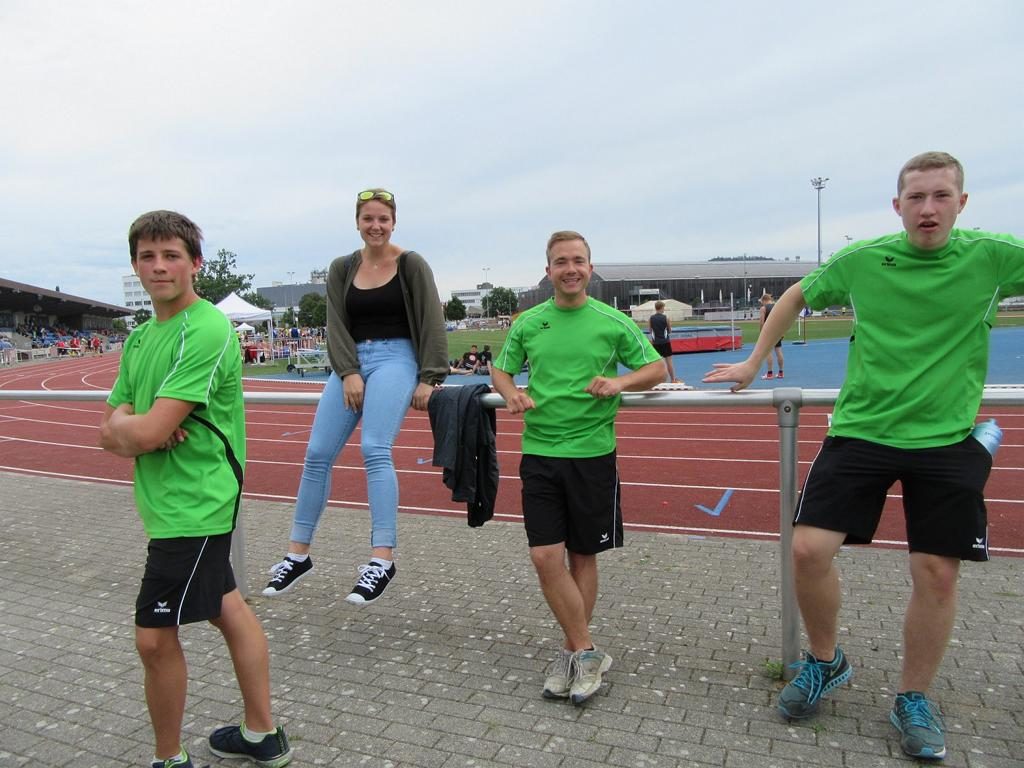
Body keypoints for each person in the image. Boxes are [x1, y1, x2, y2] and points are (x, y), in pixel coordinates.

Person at [703, 151, 1024, 760]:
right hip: (862, 430)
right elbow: (795, 295)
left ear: (961, 203)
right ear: (897, 205)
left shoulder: (994, 256)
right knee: (807, 550)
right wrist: (753, 360)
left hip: (945, 437)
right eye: (916, 197)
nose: (928, 209)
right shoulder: (865, 258)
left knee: (936, 571)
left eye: (941, 196)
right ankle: (826, 661)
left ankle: (913, 698)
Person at [99, 211, 291, 768]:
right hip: (167, 502)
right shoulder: (140, 337)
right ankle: (263, 734)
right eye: (148, 256)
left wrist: (138, 430)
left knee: (153, 638)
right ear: (135, 265)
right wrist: (137, 429)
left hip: (197, 502)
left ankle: (169, 758)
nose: (159, 267)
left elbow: (138, 431)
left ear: (195, 263)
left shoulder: (204, 328)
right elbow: (107, 429)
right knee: (226, 606)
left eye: (171, 255)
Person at [490, 231, 665, 706]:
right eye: (561, 262)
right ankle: (587, 651)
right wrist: (510, 392)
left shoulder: (613, 321)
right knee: (545, 557)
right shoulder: (529, 323)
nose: (570, 269)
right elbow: (501, 369)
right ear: (548, 271)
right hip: (540, 452)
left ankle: (574, 654)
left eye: (578, 261)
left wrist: (620, 383)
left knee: (582, 557)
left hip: (592, 455)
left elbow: (656, 370)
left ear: (590, 267)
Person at [262, 189, 448, 604]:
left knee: (374, 448)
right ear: (357, 223)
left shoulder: (411, 264)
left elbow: (431, 320)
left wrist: (430, 377)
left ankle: (382, 559)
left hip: (396, 356)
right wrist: (347, 372)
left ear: (394, 222)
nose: (375, 226)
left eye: (383, 219)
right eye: (368, 219)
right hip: (352, 361)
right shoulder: (342, 267)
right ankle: (297, 554)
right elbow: (336, 323)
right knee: (316, 453)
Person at [648, 300, 680, 383]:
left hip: (656, 343)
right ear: (661, 308)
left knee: (656, 363)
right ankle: (672, 379)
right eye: (663, 308)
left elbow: (650, 331)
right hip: (665, 342)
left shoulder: (651, 318)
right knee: (669, 362)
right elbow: (670, 331)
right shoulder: (666, 318)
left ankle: (655, 381)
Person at [758, 293, 784, 379]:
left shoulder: (763, 308)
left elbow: (761, 322)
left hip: (768, 332)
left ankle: (769, 373)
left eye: (762, 302)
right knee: (778, 351)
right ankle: (781, 372)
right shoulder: (777, 307)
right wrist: (782, 332)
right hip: (777, 331)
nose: (761, 303)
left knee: (768, 352)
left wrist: (761, 333)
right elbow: (782, 320)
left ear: (764, 300)